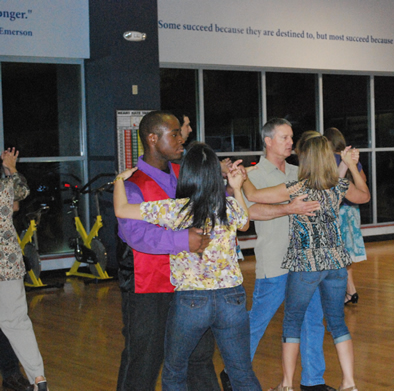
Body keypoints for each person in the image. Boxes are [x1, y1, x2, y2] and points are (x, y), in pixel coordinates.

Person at [114, 143, 262, 391]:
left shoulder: (176, 209)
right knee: (242, 372)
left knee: (174, 372)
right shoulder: (229, 206)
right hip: (232, 298)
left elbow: (122, 209)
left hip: (192, 300)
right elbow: (245, 224)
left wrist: (120, 179)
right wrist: (236, 189)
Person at [243, 130, 371, 391]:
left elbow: (255, 196)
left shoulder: (297, 188)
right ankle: (349, 383)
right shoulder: (338, 185)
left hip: (307, 263)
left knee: (292, 322)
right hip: (336, 263)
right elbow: (365, 195)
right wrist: (351, 167)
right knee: (337, 323)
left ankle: (287, 385)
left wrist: (242, 178)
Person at [116, 111, 219, 391]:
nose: (181, 139)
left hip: (189, 282)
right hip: (150, 286)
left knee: (199, 355)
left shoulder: (182, 174)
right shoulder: (131, 184)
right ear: (152, 138)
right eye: (174, 133)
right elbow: (135, 234)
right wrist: (183, 240)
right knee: (145, 358)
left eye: (179, 133)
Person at [237, 119, 333, 391]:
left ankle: (313, 381)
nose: (291, 142)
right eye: (284, 137)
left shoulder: (300, 171)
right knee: (257, 321)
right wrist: (288, 209)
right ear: (268, 141)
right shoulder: (250, 175)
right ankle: (235, 375)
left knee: (312, 319)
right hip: (275, 258)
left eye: (292, 137)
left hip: (306, 262)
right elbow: (249, 213)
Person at [0, 148, 48, 391]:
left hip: (5, 262)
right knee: (16, 322)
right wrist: (11, 167)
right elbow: (20, 196)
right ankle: (38, 378)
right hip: (5, 262)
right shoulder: (5, 183)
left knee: (13, 322)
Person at [323, 127, 367, 305]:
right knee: (347, 252)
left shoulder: (327, 160)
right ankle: (350, 291)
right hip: (352, 209)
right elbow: (362, 182)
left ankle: (344, 292)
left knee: (337, 252)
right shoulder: (350, 158)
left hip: (337, 210)